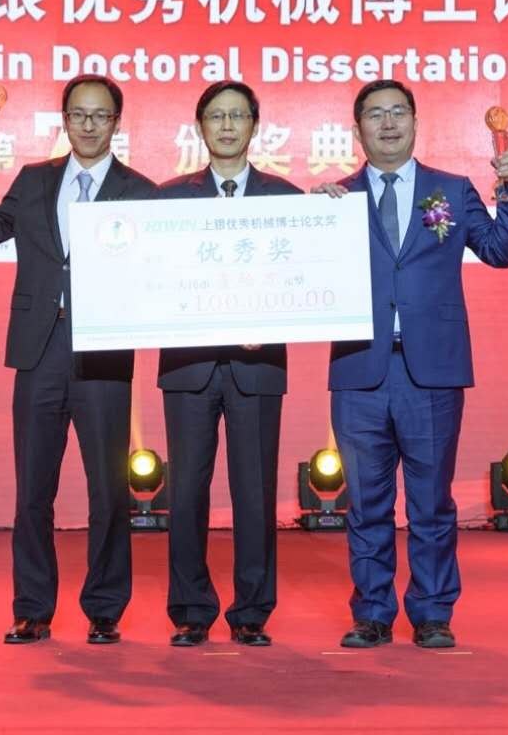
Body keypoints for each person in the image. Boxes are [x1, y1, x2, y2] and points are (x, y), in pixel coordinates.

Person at [315, 79, 508, 649]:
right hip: (360, 370)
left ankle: (433, 613)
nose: (388, 124)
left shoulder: (450, 190)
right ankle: (372, 614)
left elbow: (500, 251)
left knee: (431, 502)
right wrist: (310, 219)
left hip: (431, 372)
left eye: (398, 113)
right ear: (356, 129)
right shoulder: (334, 199)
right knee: (366, 505)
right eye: (375, 115)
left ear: (415, 122)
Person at [0, 75, 157, 646]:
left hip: (104, 354)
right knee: (33, 491)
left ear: (116, 123)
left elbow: (158, 271)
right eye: (78, 114)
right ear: (64, 120)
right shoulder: (35, 179)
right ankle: (32, 609)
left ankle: (105, 609)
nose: (88, 125)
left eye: (100, 115)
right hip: (38, 350)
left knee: (108, 492)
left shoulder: (141, 192)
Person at [154, 81, 301, 648]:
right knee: (186, 492)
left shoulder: (287, 198)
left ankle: (252, 612)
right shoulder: (167, 200)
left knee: (255, 493)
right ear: (200, 128)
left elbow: (302, 278)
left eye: (237, 116)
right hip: (188, 366)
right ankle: (191, 610)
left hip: (257, 368)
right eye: (216, 116)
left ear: (254, 126)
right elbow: (151, 279)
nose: (227, 126)